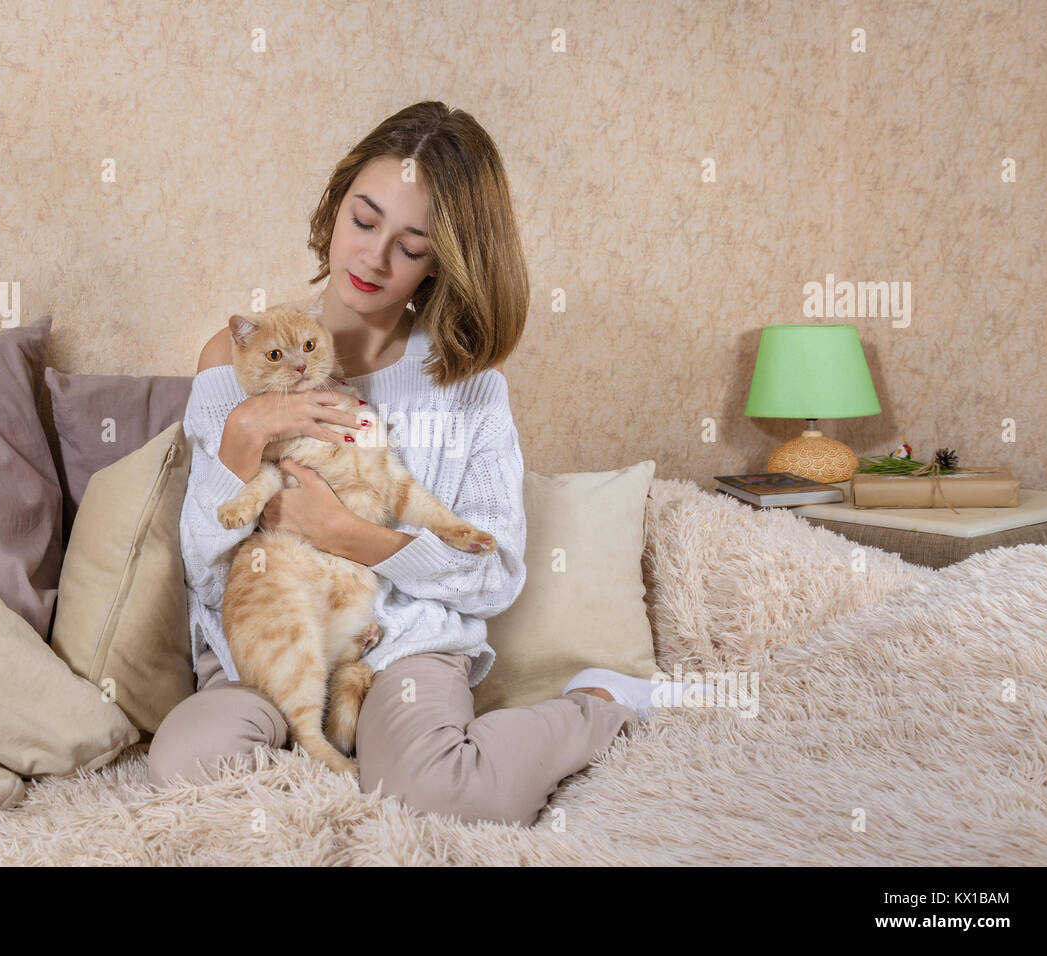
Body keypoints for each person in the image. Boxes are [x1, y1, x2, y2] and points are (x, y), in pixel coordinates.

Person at [148, 101, 698, 827]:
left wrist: (346, 532)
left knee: (446, 795)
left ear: (446, 260)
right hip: (267, 639)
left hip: (402, 650)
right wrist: (247, 428)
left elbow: (493, 574)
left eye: (411, 245)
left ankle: (597, 704)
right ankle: (327, 741)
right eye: (364, 219)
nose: (373, 259)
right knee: (187, 763)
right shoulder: (240, 361)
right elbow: (200, 560)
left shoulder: (469, 390)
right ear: (335, 206)